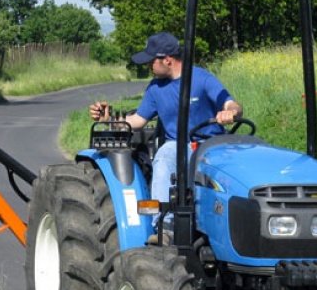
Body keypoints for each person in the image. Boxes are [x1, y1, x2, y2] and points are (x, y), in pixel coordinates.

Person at [89, 31, 243, 216]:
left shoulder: (202, 78)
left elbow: (231, 104)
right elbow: (137, 120)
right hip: (176, 146)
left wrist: (231, 112)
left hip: (210, 144)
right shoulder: (155, 88)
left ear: (167, 60)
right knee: (163, 157)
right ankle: (164, 225)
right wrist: (109, 119)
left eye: (151, 61)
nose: (148, 65)